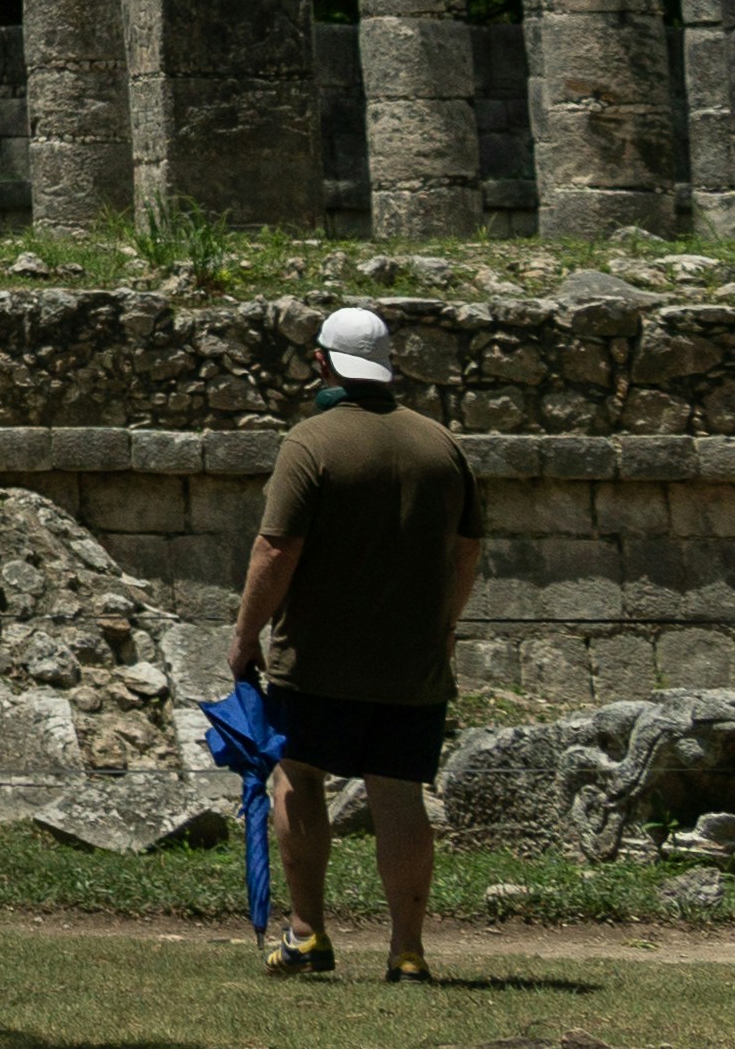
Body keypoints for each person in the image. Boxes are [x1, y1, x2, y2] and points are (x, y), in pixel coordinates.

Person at [231, 301, 486, 983]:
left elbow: (275, 547)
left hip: (316, 658)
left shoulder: (309, 443)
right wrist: (443, 627)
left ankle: (307, 933)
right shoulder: (442, 445)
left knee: (297, 777)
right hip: (412, 665)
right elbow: (466, 551)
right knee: (398, 794)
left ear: (321, 362)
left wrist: (244, 635)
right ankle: (407, 951)